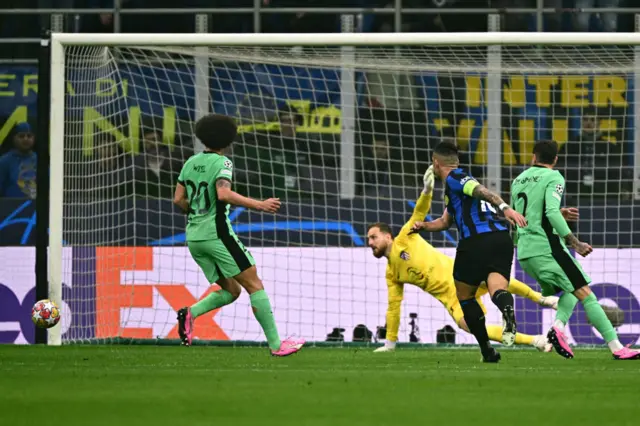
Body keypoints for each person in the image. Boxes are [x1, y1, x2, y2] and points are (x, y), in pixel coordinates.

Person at [369, 166, 558, 353]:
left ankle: (541, 299)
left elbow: (419, 211)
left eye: (374, 237)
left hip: (460, 275)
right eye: (368, 239)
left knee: (494, 280)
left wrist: (427, 190)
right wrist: (389, 344)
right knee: (472, 324)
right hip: (450, 298)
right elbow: (394, 308)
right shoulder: (392, 273)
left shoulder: (404, 237)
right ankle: (536, 340)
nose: (370, 242)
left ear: (388, 236)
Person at [173, 114, 304, 357]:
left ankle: (189, 313)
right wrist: (260, 205)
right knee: (255, 284)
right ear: (228, 138)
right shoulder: (223, 163)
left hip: (193, 237)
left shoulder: (190, 162)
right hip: (217, 234)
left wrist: (197, 211)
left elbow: (178, 199)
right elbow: (223, 194)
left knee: (231, 291)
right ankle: (277, 345)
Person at [511, 140, 640, 360]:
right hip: (547, 248)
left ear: (534, 157)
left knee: (572, 288)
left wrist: (557, 213)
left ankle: (558, 328)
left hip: (524, 252)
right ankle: (617, 347)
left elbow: (521, 216)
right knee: (586, 295)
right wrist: (574, 242)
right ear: (556, 160)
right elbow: (550, 213)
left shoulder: (518, 180)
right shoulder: (554, 177)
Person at [411, 141, 527, 363]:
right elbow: (445, 222)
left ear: (436, 163)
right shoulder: (453, 189)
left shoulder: (457, 178)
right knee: (497, 289)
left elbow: (482, 191)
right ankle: (508, 312)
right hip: (501, 239)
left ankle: (487, 350)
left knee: (464, 296)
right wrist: (423, 226)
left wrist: (505, 207)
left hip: (475, 241)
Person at [0, 122, 37, 199]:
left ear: (33, 138)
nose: (25, 139)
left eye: (29, 136)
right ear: (14, 138)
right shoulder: (5, 161)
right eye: (21, 136)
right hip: (11, 208)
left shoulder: (41, 160)